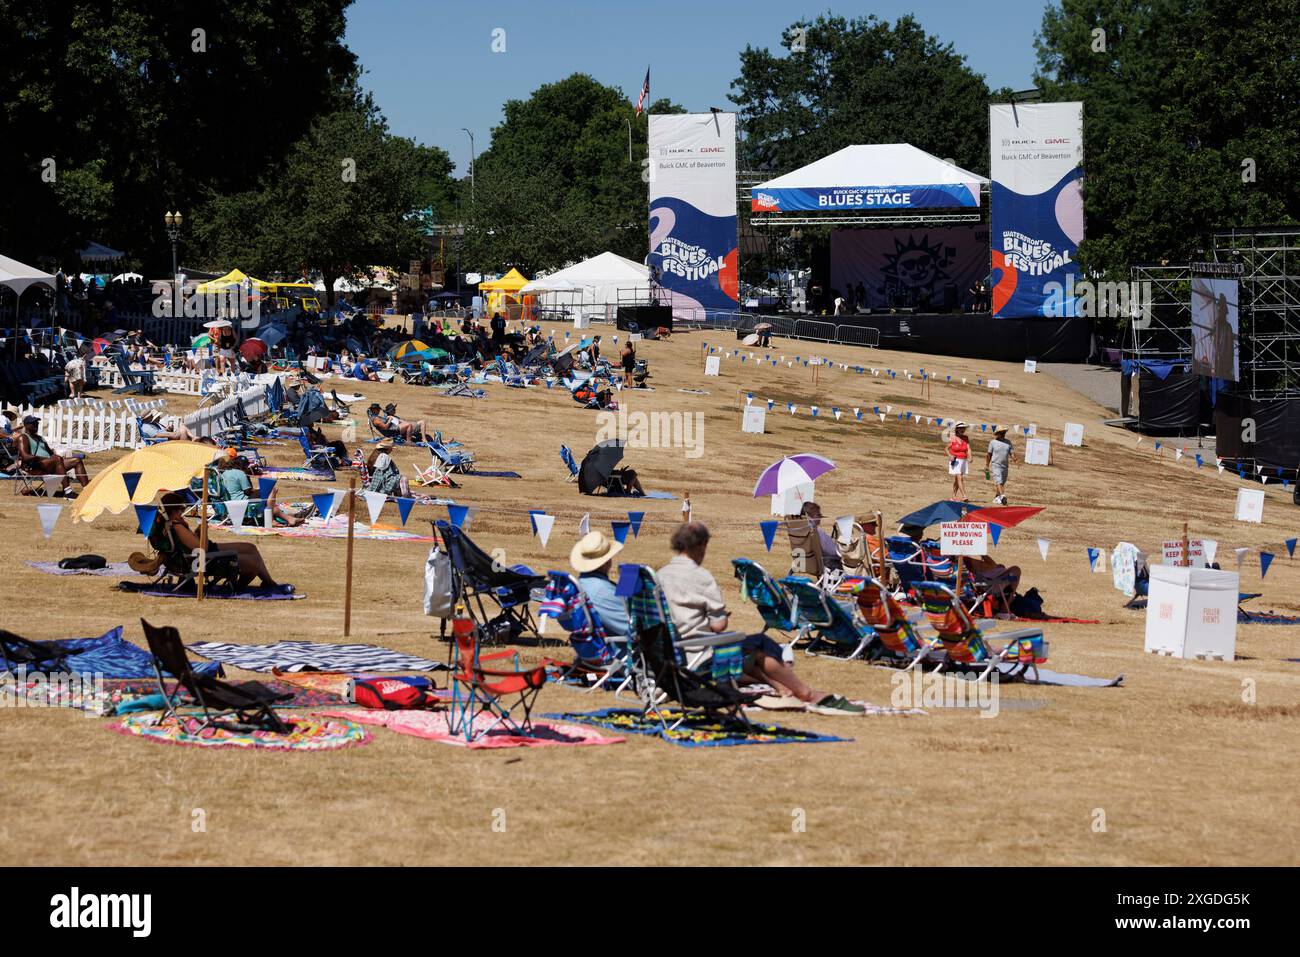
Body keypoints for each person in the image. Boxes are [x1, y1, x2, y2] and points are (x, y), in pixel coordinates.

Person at [656, 522, 865, 715]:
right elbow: (719, 626)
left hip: (670, 655)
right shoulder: (701, 578)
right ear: (701, 545)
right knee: (759, 643)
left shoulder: (660, 575)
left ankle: (781, 688)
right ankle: (806, 693)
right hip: (698, 654)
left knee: (747, 649)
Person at [155, 491, 279, 588]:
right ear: (173, 511)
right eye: (181, 509)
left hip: (203, 553)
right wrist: (204, 530)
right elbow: (202, 549)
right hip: (205, 559)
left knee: (251, 547)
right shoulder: (177, 527)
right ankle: (237, 587)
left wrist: (197, 532)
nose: (183, 512)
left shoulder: (173, 524)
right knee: (254, 562)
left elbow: (191, 543)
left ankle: (269, 582)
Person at [569, 531, 629, 636]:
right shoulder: (603, 592)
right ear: (607, 562)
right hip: (619, 647)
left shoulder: (580, 584)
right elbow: (630, 628)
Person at [16, 415, 89, 494]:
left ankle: (87, 490)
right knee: (57, 459)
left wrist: (57, 457)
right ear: (26, 425)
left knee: (77, 460)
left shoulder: (40, 438)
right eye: (33, 423)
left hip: (50, 464)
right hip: (33, 466)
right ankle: (68, 492)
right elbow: (25, 457)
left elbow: (51, 453)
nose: (36, 424)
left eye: (37, 423)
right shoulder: (23, 437)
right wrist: (45, 458)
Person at [798, 502, 842, 574]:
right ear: (809, 516)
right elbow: (832, 551)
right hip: (825, 563)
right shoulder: (815, 531)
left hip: (803, 560)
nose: (821, 517)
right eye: (819, 515)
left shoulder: (799, 530)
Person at [986, 426, 1015, 505]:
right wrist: (987, 465)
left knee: (1002, 482)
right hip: (996, 464)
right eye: (1001, 433)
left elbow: (1011, 452)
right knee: (998, 481)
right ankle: (1002, 496)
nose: (1003, 434)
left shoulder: (1008, 442)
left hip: (1005, 466)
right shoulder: (993, 442)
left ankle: (996, 497)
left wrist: (1014, 458)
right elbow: (989, 454)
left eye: (1004, 433)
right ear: (997, 434)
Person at [944, 421, 970, 502]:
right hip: (955, 460)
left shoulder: (966, 438)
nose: (962, 430)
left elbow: (968, 448)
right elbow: (946, 448)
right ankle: (964, 496)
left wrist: (970, 456)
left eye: (963, 428)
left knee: (957, 480)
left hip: (963, 460)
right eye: (961, 428)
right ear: (957, 429)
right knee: (960, 477)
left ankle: (953, 496)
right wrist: (950, 456)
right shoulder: (953, 438)